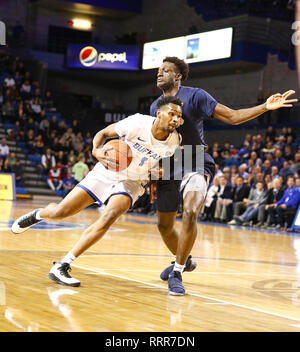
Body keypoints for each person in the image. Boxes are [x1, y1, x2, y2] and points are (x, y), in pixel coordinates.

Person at [150, 56, 297, 295]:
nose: (160, 74)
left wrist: (264, 107)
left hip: (194, 159)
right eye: (159, 70)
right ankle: (185, 259)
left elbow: (232, 116)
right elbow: (156, 141)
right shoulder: (155, 105)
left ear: (177, 75)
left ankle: (177, 271)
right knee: (164, 226)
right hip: (169, 164)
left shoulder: (196, 95)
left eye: (165, 70)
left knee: (190, 211)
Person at [11, 96, 183, 288]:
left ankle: (63, 264)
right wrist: (96, 151)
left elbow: (163, 167)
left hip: (132, 182)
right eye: (172, 113)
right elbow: (103, 133)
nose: (176, 119)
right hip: (107, 171)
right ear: (159, 113)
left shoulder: (174, 141)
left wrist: (158, 172)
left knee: (109, 216)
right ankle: (39, 214)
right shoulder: (137, 123)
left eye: (179, 116)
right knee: (61, 212)